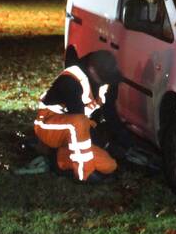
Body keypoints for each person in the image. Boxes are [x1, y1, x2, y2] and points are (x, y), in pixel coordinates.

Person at [18, 48, 125, 182]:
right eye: (105, 78)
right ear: (92, 70)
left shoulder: (104, 81)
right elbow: (79, 120)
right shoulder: (71, 80)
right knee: (79, 124)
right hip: (50, 126)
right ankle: (85, 174)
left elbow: (110, 113)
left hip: (77, 132)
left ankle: (58, 158)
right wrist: (102, 144)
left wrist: (125, 141)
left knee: (109, 165)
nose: (107, 82)